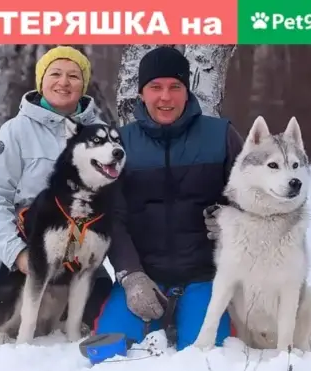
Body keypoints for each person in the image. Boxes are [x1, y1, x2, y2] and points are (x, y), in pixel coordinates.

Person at [0, 46, 113, 340]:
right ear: (41, 80)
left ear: (83, 84)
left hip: (78, 253)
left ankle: (64, 313)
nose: (64, 82)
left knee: (103, 314)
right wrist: (16, 254)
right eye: (55, 73)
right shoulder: (15, 131)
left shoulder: (101, 133)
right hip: (22, 245)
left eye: (73, 75)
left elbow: (110, 199)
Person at [94, 46, 244, 350]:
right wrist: (130, 275)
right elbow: (112, 219)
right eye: (156, 87)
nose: (166, 97)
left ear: (187, 91)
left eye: (175, 87)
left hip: (208, 274)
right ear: (141, 94)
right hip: (145, 274)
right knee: (105, 351)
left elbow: (253, 200)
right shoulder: (119, 143)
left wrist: (232, 222)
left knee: (207, 355)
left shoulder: (222, 136)